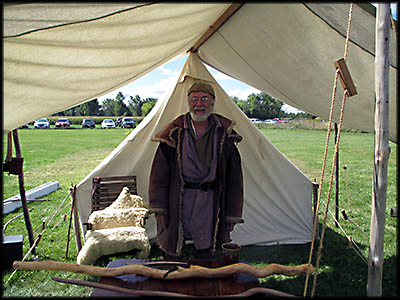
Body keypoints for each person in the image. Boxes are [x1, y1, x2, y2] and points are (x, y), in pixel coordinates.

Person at [148, 80, 244, 259]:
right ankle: (174, 278)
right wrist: (160, 210)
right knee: (173, 248)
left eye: (205, 99)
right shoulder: (173, 135)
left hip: (211, 202)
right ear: (188, 102)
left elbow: (234, 180)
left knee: (207, 250)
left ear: (213, 103)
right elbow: (158, 177)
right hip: (179, 199)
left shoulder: (225, 134)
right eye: (195, 99)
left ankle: (203, 275)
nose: (199, 104)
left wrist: (231, 215)